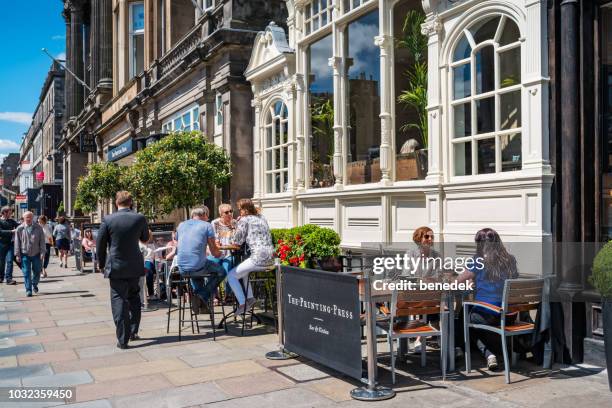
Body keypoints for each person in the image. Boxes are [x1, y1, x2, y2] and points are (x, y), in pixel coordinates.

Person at [455, 228, 519, 371]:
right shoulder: (510, 259)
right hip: (509, 314)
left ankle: (486, 353)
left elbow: (459, 280)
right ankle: (462, 348)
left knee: (462, 317)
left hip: (487, 314)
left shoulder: (478, 260)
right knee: (467, 313)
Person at [97, 191, 149, 349]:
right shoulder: (139, 218)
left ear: (116, 203)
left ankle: (123, 338)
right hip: (134, 265)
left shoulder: (108, 219)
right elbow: (145, 238)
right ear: (131, 202)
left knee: (119, 299)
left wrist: (101, 264)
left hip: (116, 265)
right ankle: (133, 331)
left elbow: (100, 244)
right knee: (134, 298)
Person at [227, 199, 274, 314]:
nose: (239, 212)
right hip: (271, 258)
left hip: (258, 258)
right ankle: (250, 298)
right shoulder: (262, 218)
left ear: (244, 210)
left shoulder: (245, 219)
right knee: (244, 271)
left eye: (240, 210)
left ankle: (243, 304)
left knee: (231, 276)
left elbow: (236, 241)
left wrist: (234, 227)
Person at [176, 206, 225, 312]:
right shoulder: (207, 225)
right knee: (221, 271)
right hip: (197, 266)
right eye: (208, 216)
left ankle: (201, 305)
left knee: (197, 270)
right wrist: (221, 253)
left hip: (182, 268)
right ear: (205, 215)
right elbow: (214, 253)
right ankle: (201, 296)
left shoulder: (181, 225)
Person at [14, 211, 46, 297]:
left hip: (36, 253)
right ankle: (28, 290)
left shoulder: (38, 228)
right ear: (23, 218)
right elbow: (17, 242)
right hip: (25, 254)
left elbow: (42, 241)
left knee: (37, 271)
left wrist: (43, 252)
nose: (28, 219)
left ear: (33, 218)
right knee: (26, 272)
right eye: (26, 217)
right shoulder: (19, 229)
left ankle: (34, 284)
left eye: (30, 217)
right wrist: (17, 254)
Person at [209, 203, 237, 299]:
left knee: (226, 270)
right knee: (209, 268)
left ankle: (228, 294)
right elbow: (214, 240)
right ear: (221, 214)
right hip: (216, 253)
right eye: (226, 212)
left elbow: (236, 241)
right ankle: (212, 294)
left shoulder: (235, 223)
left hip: (230, 253)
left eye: (231, 211)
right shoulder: (215, 223)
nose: (230, 214)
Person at [0, 206, 19, 285]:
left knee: (10, 261)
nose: (11, 214)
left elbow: (19, 226)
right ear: (4, 213)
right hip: (1, 244)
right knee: (1, 262)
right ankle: (1, 277)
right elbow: (0, 232)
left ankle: (9, 279)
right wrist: (11, 231)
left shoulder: (12, 221)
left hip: (10, 244)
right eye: (9, 212)